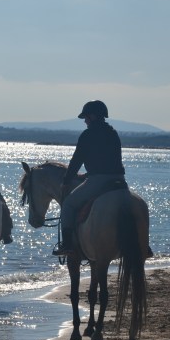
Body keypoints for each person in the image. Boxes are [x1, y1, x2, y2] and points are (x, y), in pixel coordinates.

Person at [52, 100, 126, 256]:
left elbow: (76, 160)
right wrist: (90, 173)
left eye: (86, 117)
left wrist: (66, 181)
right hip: (120, 180)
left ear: (92, 116)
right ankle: (143, 246)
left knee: (68, 205)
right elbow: (111, 160)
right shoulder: (113, 133)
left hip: (98, 181)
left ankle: (67, 246)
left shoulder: (88, 134)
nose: (85, 121)